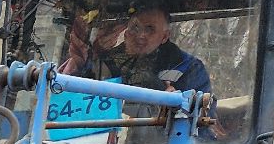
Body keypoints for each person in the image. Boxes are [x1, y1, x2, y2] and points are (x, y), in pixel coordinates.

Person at [65, 7, 211, 98]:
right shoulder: (104, 63)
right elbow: (73, 98)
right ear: (126, 32)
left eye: (149, 29)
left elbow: (199, 126)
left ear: (165, 37)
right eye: (135, 28)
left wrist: (171, 102)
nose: (141, 35)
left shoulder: (189, 67)